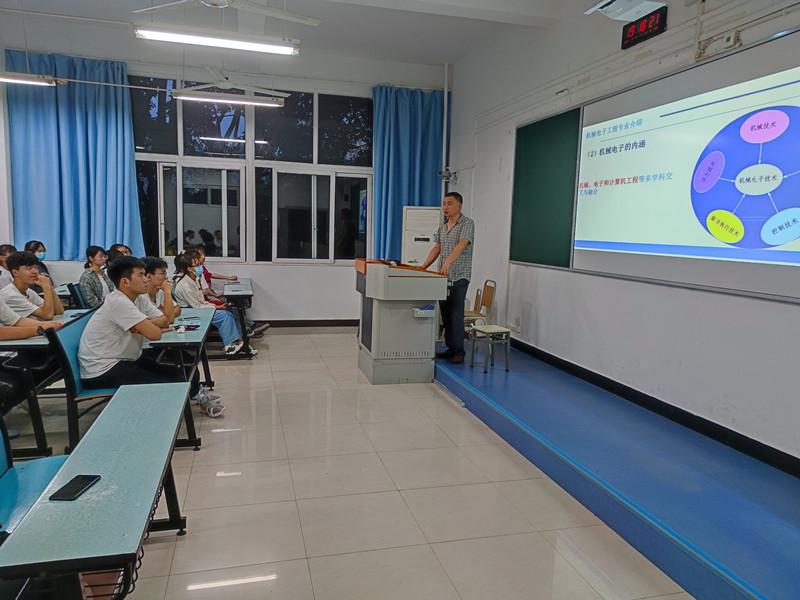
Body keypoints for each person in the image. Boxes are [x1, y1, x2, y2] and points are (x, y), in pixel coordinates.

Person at [78, 257, 223, 417]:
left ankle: (196, 396)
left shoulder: (138, 297)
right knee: (170, 384)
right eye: (140, 275)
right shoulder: (118, 302)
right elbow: (155, 334)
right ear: (125, 282)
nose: (146, 279)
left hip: (127, 358)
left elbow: (165, 320)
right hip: (102, 369)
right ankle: (169, 416)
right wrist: (146, 326)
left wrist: (142, 324)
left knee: (184, 368)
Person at [140, 256, 223, 415]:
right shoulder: (144, 297)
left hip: (161, 340)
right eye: (162, 273)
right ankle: (195, 396)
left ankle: (196, 393)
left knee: (190, 362)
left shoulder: (158, 292)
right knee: (181, 367)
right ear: (148, 276)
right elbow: (169, 319)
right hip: (147, 348)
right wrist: (166, 305)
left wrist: (163, 316)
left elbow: (175, 311)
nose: (166, 278)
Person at [420, 192, 475, 364]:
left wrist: (449, 261)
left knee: (456, 315)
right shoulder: (442, 227)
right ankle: (450, 348)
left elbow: (463, 243)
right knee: (445, 315)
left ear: (459, 206)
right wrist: (422, 268)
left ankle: (459, 351)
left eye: (449, 203)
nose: (445, 207)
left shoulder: (467, 223)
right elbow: (437, 248)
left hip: (459, 276)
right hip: (442, 278)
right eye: (444, 203)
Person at [173, 252, 257, 357]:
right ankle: (230, 346)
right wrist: (217, 307)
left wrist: (216, 306)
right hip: (191, 313)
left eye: (200, 264)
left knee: (230, 314)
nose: (200, 267)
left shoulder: (194, 279)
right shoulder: (185, 285)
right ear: (189, 269)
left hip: (199, 308)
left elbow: (201, 300)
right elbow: (197, 306)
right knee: (224, 316)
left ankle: (240, 343)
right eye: (197, 265)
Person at [0, 297, 62, 416]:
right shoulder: (9, 293)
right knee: (16, 383)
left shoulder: (28, 293)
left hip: (8, 353)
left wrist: (47, 326)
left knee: (55, 359)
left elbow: (17, 321)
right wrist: (39, 329)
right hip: (5, 354)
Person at [0, 251, 65, 320]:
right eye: (29, 268)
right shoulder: (10, 295)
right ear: (15, 272)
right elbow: (48, 315)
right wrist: (46, 287)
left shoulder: (29, 292)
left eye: (35, 267)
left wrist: (49, 285)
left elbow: (59, 311)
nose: (35, 272)